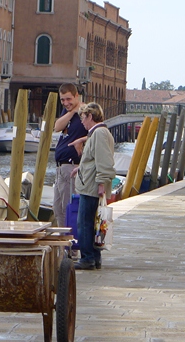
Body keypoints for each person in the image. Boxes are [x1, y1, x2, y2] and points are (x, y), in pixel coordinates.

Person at [71, 102, 115, 270]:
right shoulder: (98, 133)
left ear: (90, 116)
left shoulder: (99, 134)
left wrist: (102, 183)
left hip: (91, 187)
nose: (82, 122)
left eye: (83, 118)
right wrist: (80, 168)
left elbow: (103, 160)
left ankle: (87, 257)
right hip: (90, 184)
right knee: (93, 223)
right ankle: (94, 257)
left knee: (85, 222)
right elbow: (93, 158)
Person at [52, 83, 88, 227]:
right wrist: (72, 112)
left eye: (69, 99)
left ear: (76, 96)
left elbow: (100, 132)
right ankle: (64, 246)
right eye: (62, 100)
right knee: (58, 210)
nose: (66, 103)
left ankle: (71, 247)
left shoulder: (87, 111)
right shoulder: (68, 112)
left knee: (69, 209)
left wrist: (82, 140)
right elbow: (57, 127)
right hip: (60, 169)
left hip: (72, 167)